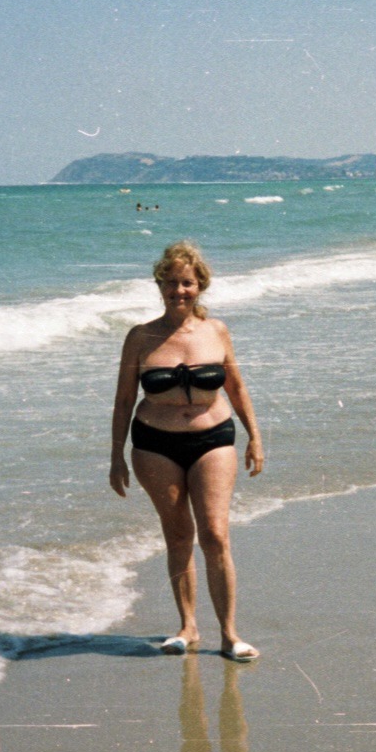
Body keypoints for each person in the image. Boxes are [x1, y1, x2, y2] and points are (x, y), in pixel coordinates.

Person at [110, 242, 264, 662]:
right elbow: (124, 400)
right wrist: (116, 456)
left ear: (200, 286)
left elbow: (236, 387)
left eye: (187, 283)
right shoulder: (140, 337)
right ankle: (187, 627)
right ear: (159, 284)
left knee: (215, 535)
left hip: (213, 438)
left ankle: (230, 635)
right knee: (178, 536)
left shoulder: (216, 331)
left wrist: (255, 436)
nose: (179, 290)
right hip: (153, 445)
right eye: (171, 282)